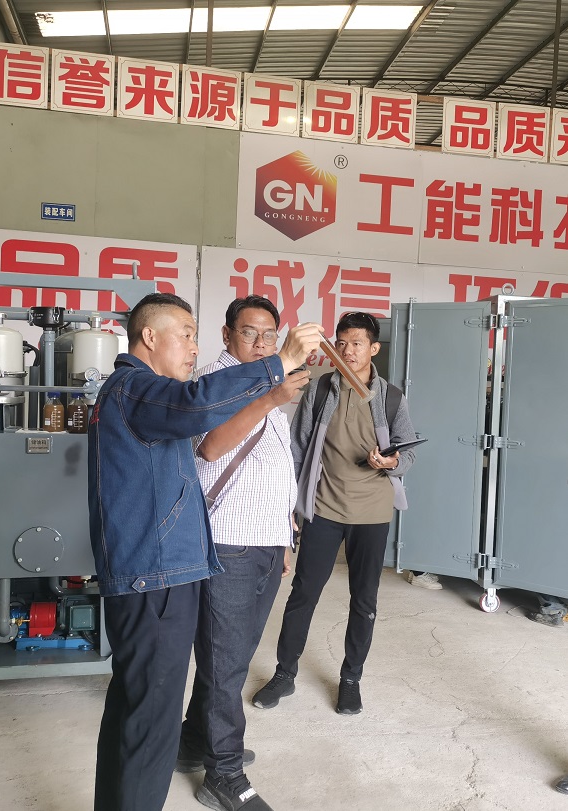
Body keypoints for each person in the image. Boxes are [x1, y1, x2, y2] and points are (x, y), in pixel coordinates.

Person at [87, 292, 322, 811]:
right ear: (150, 337)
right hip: (156, 574)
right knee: (152, 722)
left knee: (138, 709)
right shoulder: (139, 389)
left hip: (160, 570)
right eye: (186, 335)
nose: (193, 348)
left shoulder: (135, 392)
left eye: (195, 336)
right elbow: (199, 409)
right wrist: (278, 363)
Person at [176, 296, 310, 811]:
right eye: (249, 333)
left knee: (229, 657)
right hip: (227, 540)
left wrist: (283, 534)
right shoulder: (215, 381)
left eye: (269, 334)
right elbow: (211, 448)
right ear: (227, 334)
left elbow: (275, 465)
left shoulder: (271, 381)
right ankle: (224, 773)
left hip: (265, 539)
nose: (260, 343)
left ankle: (194, 743)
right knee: (226, 662)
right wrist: (272, 398)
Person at [252, 311, 417, 717]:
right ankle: (284, 673)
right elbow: (296, 449)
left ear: (373, 348)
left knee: (364, 600)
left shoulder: (391, 398)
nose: (347, 351)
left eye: (357, 343)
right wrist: (289, 507)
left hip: (372, 512)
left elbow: (407, 452)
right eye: (341, 343)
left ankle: (350, 679)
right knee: (303, 593)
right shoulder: (320, 389)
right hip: (323, 507)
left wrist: (391, 462)